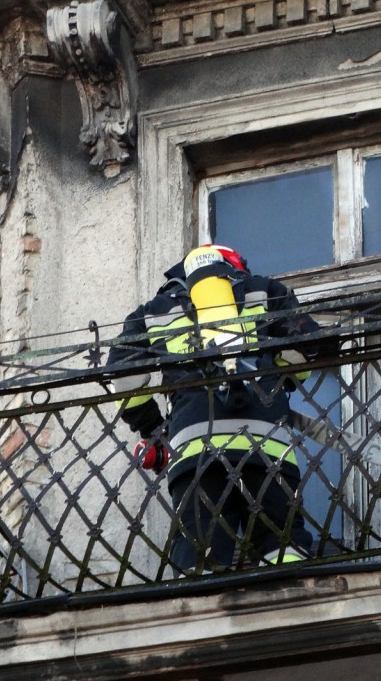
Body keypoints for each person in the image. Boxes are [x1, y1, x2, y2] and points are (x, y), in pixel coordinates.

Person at [107, 244, 319, 573]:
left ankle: (197, 594)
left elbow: (124, 382)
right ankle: (289, 590)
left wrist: (155, 429)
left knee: (198, 547)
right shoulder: (266, 291)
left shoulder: (153, 312)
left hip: (195, 448)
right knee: (282, 537)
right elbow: (305, 351)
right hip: (267, 443)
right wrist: (278, 381)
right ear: (236, 268)